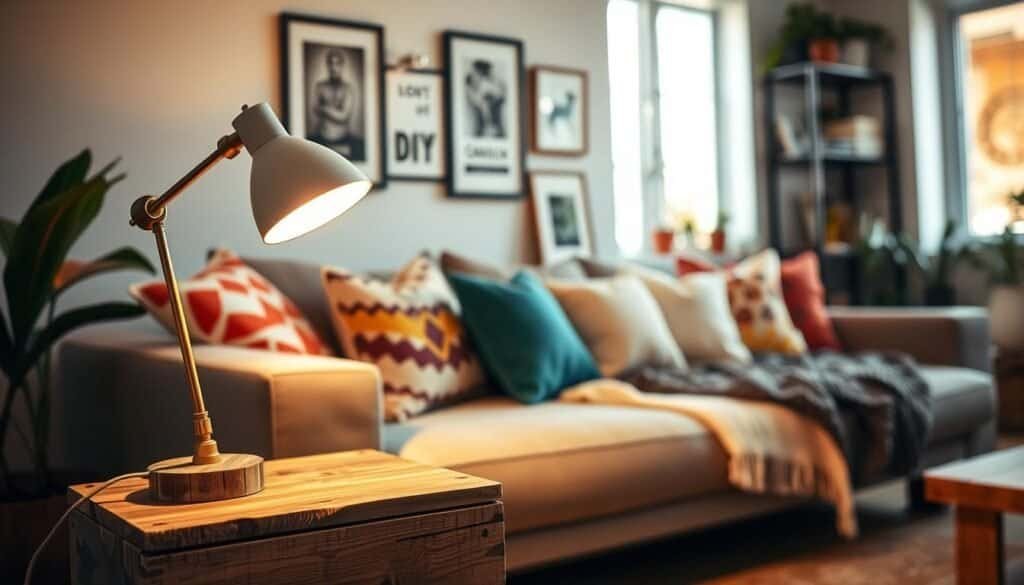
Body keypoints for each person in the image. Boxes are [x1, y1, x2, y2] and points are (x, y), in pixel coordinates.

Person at [310, 49, 365, 160]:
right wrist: (334, 110)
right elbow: (315, 108)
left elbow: (343, 116)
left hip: (343, 138)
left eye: (337, 63)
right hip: (322, 138)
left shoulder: (347, 89)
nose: (333, 67)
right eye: (331, 63)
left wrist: (324, 108)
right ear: (327, 65)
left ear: (342, 65)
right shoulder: (320, 86)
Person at [464, 60, 506, 138]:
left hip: (491, 120)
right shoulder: (471, 84)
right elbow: (476, 100)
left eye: (476, 71)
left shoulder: (490, 83)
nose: (474, 74)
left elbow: (497, 95)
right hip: (480, 120)